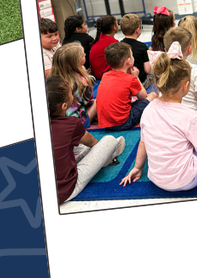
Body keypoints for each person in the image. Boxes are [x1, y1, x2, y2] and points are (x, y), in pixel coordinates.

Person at [119, 54, 197, 192]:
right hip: (188, 179)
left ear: (156, 82)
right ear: (186, 85)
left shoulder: (148, 110)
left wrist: (138, 168)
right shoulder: (189, 116)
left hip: (157, 179)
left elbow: (143, 142)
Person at [48, 75, 125, 205]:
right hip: (66, 189)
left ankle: (102, 157)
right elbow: (92, 142)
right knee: (109, 140)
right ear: (64, 105)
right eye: (71, 93)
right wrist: (101, 151)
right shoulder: (70, 124)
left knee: (73, 144)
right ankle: (107, 157)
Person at [94, 40, 153, 129]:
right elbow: (143, 96)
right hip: (123, 122)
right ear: (128, 61)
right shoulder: (131, 79)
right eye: (132, 55)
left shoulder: (105, 76)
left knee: (132, 99)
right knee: (152, 95)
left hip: (104, 123)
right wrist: (136, 77)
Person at [49, 41, 94, 118]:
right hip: (77, 119)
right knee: (98, 101)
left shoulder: (52, 79)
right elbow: (88, 102)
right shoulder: (80, 80)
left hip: (59, 119)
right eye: (83, 55)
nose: (85, 55)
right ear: (76, 62)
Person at [119, 13, 151, 87]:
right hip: (140, 82)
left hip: (125, 82)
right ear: (137, 30)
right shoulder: (142, 47)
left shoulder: (119, 45)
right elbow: (147, 70)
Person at [88, 15, 119, 80]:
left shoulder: (101, 37)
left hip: (98, 73)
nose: (118, 25)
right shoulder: (113, 42)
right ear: (114, 27)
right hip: (103, 75)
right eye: (117, 23)